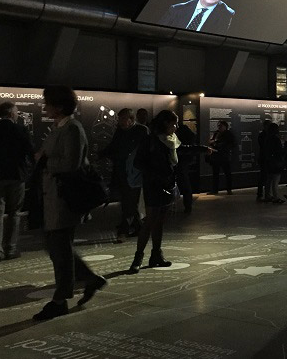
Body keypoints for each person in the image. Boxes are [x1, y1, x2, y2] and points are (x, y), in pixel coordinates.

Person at [33, 86, 106, 321]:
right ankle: (90, 279)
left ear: (60, 106)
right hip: (52, 196)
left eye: (48, 103)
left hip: (64, 198)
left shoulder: (73, 129)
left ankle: (60, 299)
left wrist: (44, 162)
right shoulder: (60, 127)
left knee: (59, 249)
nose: (45, 107)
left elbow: (71, 164)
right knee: (57, 246)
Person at [128, 110, 181, 274]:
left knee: (159, 222)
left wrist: (202, 149)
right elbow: (138, 162)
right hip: (153, 185)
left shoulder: (171, 141)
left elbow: (182, 149)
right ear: (165, 123)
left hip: (167, 184)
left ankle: (156, 255)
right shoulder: (150, 140)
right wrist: (156, 174)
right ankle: (138, 258)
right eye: (173, 123)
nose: (176, 127)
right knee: (149, 222)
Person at [0, 102, 33, 262]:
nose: (17, 114)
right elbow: (29, 150)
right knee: (15, 213)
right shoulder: (20, 129)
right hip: (17, 176)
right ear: (10, 113)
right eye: (16, 111)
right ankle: (11, 248)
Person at [99, 108, 148, 243]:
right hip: (122, 173)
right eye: (119, 119)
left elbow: (146, 151)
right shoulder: (121, 131)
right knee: (128, 201)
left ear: (131, 119)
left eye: (122, 119)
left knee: (129, 202)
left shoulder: (141, 131)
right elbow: (113, 147)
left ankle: (123, 231)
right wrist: (101, 154)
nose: (120, 122)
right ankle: (139, 227)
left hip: (134, 174)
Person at [208, 120, 235, 195]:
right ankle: (215, 190)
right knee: (215, 174)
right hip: (216, 156)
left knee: (227, 173)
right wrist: (216, 143)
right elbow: (211, 142)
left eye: (220, 126)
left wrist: (216, 143)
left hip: (224, 157)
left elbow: (230, 144)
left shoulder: (229, 134)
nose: (219, 127)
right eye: (218, 126)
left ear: (225, 126)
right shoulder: (216, 133)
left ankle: (229, 189)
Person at [263, 122, 285, 203]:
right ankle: (275, 197)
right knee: (275, 181)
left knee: (269, 180)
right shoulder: (276, 139)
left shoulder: (267, 138)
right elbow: (279, 151)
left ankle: (267, 195)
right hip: (276, 162)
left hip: (269, 162)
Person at [256, 119, 272, 201]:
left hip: (264, 158)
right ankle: (262, 194)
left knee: (264, 177)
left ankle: (264, 194)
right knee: (264, 177)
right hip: (265, 158)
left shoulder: (262, 135)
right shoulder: (264, 135)